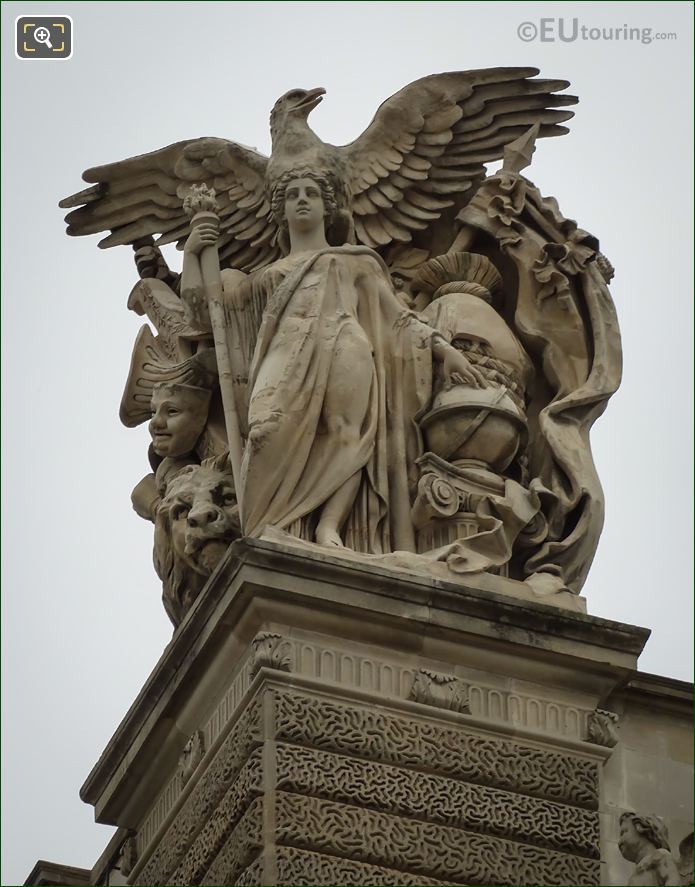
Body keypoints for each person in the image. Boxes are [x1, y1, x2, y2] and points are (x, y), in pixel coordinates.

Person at [183, 167, 485, 553]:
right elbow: (203, 316)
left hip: (345, 342)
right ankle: (266, 524)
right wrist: (194, 251)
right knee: (264, 431)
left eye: (311, 193)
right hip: (285, 352)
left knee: (348, 434)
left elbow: (398, 318)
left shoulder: (356, 261)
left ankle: (329, 527)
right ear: (282, 212)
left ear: (328, 209)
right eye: (293, 195)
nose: (302, 200)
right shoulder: (262, 278)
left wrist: (447, 351)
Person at [618, 812, 681, 886]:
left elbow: (673, 880)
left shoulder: (660, 856)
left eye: (624, 832)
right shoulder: (634, 874)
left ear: (641, 828)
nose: (619, 842)